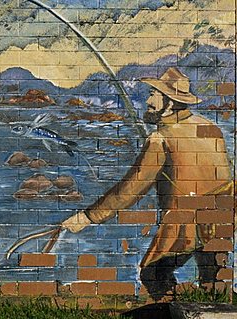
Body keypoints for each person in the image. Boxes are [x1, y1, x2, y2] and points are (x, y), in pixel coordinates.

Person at [61, 67, 232, 300]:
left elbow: (131, 190)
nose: (148, 100)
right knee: (214, 279)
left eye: (154, 94)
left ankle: (173, 307)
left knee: (153, 274)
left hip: (185, 223)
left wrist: (88, 217)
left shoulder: (160, 139)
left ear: (170, 103)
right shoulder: (210, 128)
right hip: (222, 217)